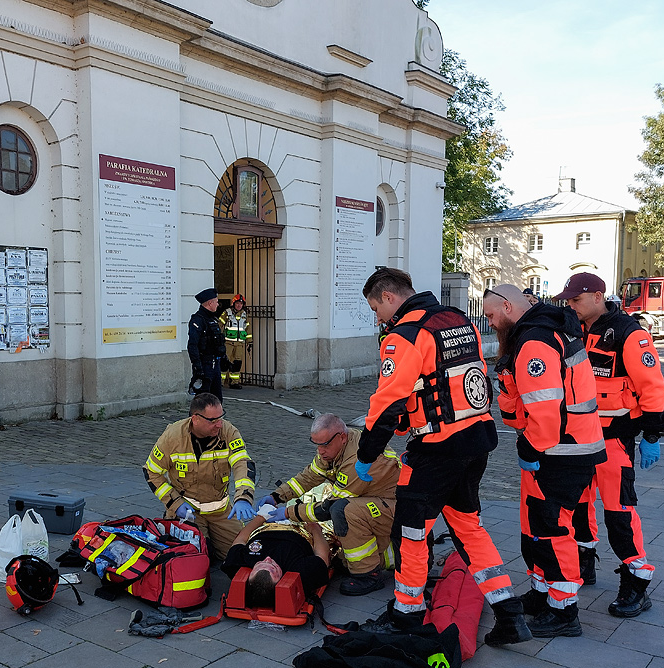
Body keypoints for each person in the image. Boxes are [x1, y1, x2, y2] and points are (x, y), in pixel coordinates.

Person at [355, 268, 531, 646]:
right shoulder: (457, 321)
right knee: (469, 528)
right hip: (476, 439)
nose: (377, 317)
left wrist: (366, 453)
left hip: (437, 449)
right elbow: (452, 381)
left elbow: (387, 403)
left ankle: (406, 613)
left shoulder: (405, 335)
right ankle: (509, 613)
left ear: (388, 297)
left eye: (375, 308)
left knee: (410, 532)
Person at [483, 283, 606, 638]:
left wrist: (532, 448)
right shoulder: (548, 330)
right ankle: (542, 592)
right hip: (568, 446)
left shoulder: (535, 341)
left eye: (491, 315)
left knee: (552, 530)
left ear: (508, 306)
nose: (490, 323)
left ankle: (564, 609)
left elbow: (544, 408)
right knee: (538, 527)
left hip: (561, 451)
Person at [557, 273, 664, 617]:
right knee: (578, 505)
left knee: (619, 512)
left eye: (576, 300)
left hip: (613, 440)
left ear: (597, 296)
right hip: (578, 438)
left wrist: (651, 434)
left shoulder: (629, 333)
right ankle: (584, 561)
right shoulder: (573, 330)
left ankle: (637, 581)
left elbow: (652, 386)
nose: (570, 306)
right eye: (569, 301)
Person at [257, 413, 398, 596]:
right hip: (375, 502)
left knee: (344, 511)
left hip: (395, 506)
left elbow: (328, 508)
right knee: (345, 516)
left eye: (324, 445)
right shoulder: (334, 450)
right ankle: (364, 560)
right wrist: (277, 496)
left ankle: (367, 575)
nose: (320, 451)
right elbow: (309, 476)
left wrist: (288, 513)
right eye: (316, 445)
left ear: (342, 437)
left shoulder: (357, 459)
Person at [143, 393, 255, 559]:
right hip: (189, 513)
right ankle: (205, 543)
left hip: (221, 512)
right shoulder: (172, 437)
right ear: (195, 419)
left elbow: (242, 463)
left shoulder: (229, 432)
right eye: (213, 420)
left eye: (221, 417)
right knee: (198, 557)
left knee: (240, 553)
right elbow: (151, 471)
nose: (219, 424)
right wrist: (175, 503)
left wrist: (243, 497)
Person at [221, 510, 332, 608]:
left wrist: (261, 518)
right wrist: (315, 529)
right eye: (274, 567)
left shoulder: (237, 564)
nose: (268, 559)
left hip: (265, 526)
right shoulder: (299, 570)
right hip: (302, 529)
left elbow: (240, 539)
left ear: (250, 575)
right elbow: (323, 557)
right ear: (281, 580)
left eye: (260, 563)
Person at [187, 288, 227, 401]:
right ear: (210, 303)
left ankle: (215, 419)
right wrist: (198, 367)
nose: (218, 304)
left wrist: (224, 358)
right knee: (202, 400)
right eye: (216, 301)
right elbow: (192, 345)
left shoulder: (213, 320)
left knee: (216, 399)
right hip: (205, 365)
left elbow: (218, 342)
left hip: (216, 364)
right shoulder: (198, 320)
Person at [219, 293, 252, 389]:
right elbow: (220, 325)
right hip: (228, 343)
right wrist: (219, 339)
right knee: (224, 363)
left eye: (241, 304)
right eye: (237, 303)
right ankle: (220, 382)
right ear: (233, 303)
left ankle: (234, 382)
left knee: (237, 363)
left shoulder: (245, 315)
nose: (239, 305)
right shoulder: (227, 313)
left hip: (239, 344)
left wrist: (249, 342)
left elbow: (248, 329)